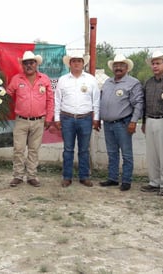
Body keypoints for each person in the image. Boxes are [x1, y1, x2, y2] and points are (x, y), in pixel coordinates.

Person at [6, 51, 54, 187]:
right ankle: (18, 176)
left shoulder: (44, 79)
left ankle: (32, 176)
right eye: (26, 63)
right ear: (23, 65)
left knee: (34, 150)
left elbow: (50, 100)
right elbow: (8, 95)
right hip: (21, 120)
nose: (29, 65)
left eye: (31, 62)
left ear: (36, 64)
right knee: (18, 149)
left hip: (39, 121)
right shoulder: (16, 79)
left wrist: (49, 117)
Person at [54, 51, 100, 188]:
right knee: (68, 149)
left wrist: (96, 118)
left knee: (84, 149)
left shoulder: (91, 79)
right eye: (74, 61)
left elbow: (96, 100)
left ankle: (84, 176)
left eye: (79, 61)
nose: (76, 63)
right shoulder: (62, 80)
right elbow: (57, 100)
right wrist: (57, 118)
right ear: (70, 63)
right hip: (67, 118)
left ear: (83, 63)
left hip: (85, 118)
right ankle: (67, 177)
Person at [99, 54, 143, 191]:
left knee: (126, 154)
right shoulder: (107, 82)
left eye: (121, 65)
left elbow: (139, 103)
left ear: (127, 67)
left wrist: (134, 121)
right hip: (107, 123)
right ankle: (112, 178)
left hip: (123, 123)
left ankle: (126, 180)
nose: (118, 68)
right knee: (112, 153)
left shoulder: (133, 83)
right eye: (116, 65)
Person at [140, 51, 163, 196]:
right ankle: (154, 182)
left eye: (158, 63)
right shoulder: (148, 83)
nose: (155, 66)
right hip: (150, 119)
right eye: (153, 64)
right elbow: (144, 104)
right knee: (152, 154)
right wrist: (143, 122)